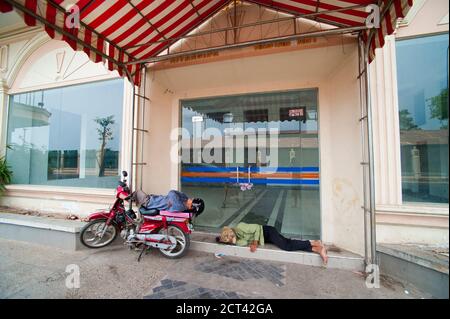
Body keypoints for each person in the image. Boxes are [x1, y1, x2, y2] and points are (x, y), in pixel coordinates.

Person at [216, 222, 328, 265]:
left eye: (231, 238)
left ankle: (313, 242)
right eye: (230, 241)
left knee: (286, 246)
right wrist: (234, 241)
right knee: (288, 242)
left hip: (267, 231)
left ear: (231, 232)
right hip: (266, 238)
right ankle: (316, 248)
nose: (231, 241)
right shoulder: (238, 240)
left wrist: (255, 242)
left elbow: (257, 227)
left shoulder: (240, 226)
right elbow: (244, 242)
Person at [131, 189, 205, 215]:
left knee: (137, 192)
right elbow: (173, 193)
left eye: (192, 200)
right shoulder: (184, 199)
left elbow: (172, 193)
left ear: (191, 206)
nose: (191, 198)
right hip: (152, 199)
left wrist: (174, 197)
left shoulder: (180, 206)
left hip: (150, 202)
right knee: (132, 195)